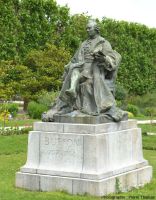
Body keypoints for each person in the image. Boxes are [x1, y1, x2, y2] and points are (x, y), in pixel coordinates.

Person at [42, 19, 127, 122]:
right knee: (74, 69)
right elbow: (74, 58)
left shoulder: (104, 42)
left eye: (89, 28)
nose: (87, 30)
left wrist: (103, 58)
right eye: (86, 28)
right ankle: (72, 91)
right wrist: (68, 65)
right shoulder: (83, 44)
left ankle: (80, 100)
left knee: (86, 82)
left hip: (95, 69)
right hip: (82, 66)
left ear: (96, 29)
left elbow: (112, 58)